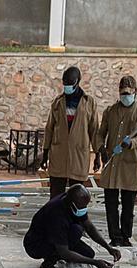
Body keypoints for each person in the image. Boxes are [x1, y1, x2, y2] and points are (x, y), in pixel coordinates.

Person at [94, 75, 137, 248]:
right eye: (123, 93)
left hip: (129, 164)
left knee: (128, 205)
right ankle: (114, 236)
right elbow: (100, 133)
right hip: (112, 161)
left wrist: (130, 142)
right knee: (111, 204)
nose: (126, 96)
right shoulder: (110, 111)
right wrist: (101, 149)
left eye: (129, 93)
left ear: (135, 92)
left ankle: (126, 236)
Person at [23, 184, 122, 268]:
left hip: (55, 235)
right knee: (76, 231)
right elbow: (64, 252)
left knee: (88, 254)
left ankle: (59, 255)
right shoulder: (56, 215)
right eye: (82, 206)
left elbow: (89, 227)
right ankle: (49, 262)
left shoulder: (72, 202)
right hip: (36, 245)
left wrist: (108, 248)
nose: (84, 209)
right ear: (72, 203)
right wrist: (95, 263)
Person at [41, 66, 98, 199]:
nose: (66, 86)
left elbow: (94, 129)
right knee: (56, 197)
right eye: (64, 83)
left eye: (69, 83)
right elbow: (49, 128)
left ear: (77, 82)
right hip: (58, 156)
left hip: (78, 156)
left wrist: (98, 155)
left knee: (76, 197)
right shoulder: (58, 102)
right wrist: (45, 154)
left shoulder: (88, 103)